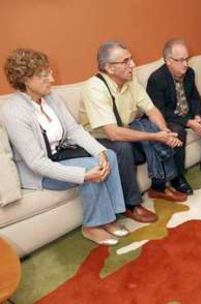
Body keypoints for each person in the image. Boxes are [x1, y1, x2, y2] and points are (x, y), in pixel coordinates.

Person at [1, 48, 128, 246]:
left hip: (61, 156)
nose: (52, 79)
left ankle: (110, 217)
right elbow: (36, 162)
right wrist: (82, 176)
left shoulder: (51, 98)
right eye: (45, 75)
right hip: (39, 172)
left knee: (109, 155)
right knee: (88, 168)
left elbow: (74, 130)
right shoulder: (12, 111)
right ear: (26, 80)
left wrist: (99, 151)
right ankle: (92, 226)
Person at [80, 41, 187, 224]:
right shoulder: (95, 88)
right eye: (126, 61)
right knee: (123, 148)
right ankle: (131, 205)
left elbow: (151, 109)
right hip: (99, 139)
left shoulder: (130, 80)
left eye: (131, 59)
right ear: (109, 68)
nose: (133, 65)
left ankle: (159, 187)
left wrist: (164, 132)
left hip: (126, 127)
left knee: (156, 127)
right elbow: (112, 133)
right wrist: (154, 136)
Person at [146, 39, 201, 195]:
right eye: (181, 60)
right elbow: (160, 111)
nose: (185, 64)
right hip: (167, 118)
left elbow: (195, 98)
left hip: (186, 113)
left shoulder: (189, 73)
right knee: (178, 132)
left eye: (187, 59)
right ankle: (177, 176)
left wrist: (197, 116)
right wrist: (189, 122)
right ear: (168, 61)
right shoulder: (156, 79)